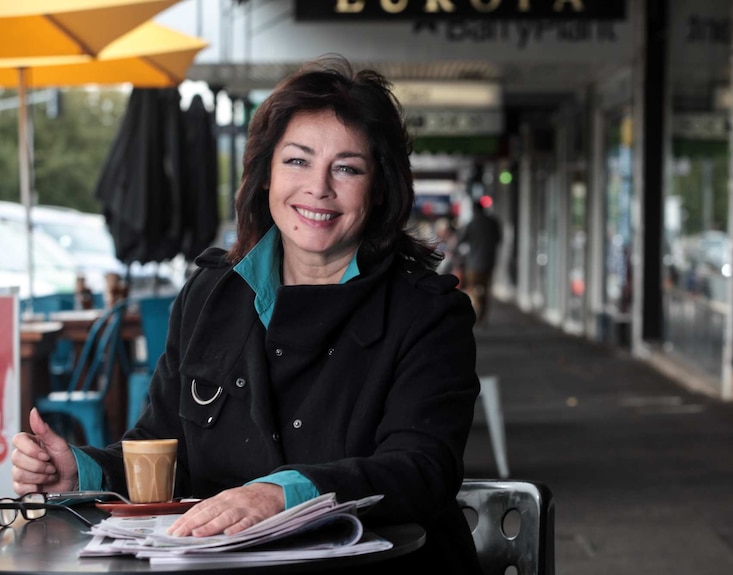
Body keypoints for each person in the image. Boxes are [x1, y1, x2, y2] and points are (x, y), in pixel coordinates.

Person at [11, 56, 482, 573]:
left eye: (347, 168)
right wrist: (80, 474)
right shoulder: (210, 294)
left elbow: (422, 469)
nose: (318, 188)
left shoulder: (429, 313)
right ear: (264, 175)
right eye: (297, 161)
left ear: (380, 188)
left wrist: (283, 495)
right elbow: (160, 450)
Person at [458, 199, 502, 327]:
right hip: (489, 261)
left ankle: (476, 313)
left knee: (473, 289)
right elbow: (499, 239)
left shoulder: (471, 224)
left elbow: (461, 240)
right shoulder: (493, 223)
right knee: (485, 289)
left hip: (473, 263)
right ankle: (483, 316)